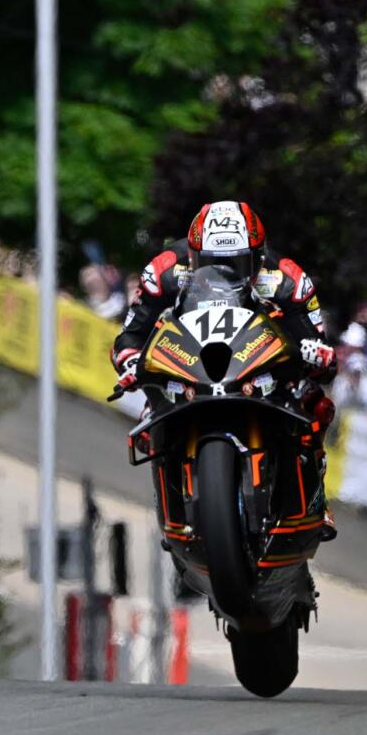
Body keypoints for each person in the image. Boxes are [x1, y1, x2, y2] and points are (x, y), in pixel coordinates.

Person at [110, 201, 337, 537]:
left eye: (236, 263)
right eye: (212, 263)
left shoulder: (287, 278)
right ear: (194, 255)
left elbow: (317, 343)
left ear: (257, 256)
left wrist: (316, 353)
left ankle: (317, 497)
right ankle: (174, 508)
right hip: (191, 365)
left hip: (258, 364)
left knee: (314, 403)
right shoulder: (164, 271)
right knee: (148, 420)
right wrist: (130, 361)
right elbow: (131, 334)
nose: (223, 272)